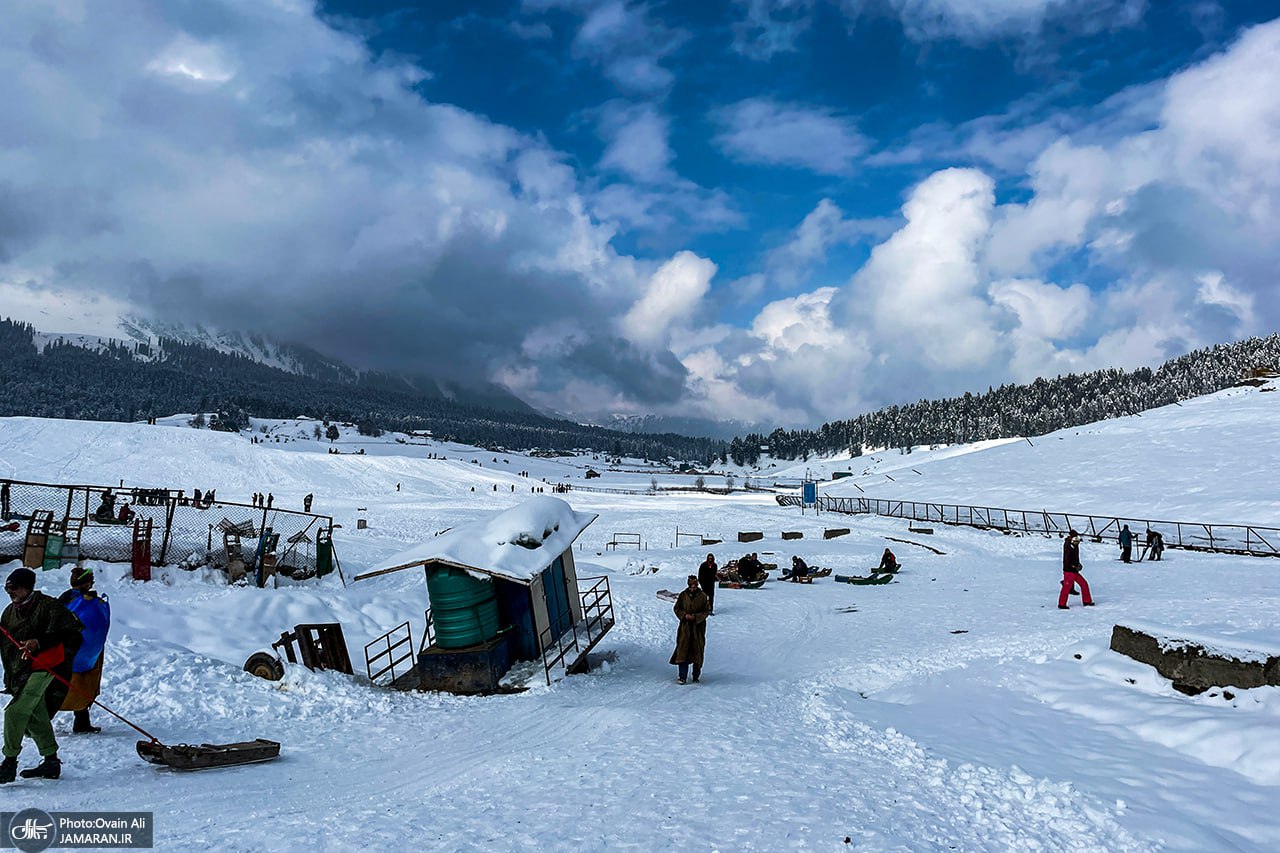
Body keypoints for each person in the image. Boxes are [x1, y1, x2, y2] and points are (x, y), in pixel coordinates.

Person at [1, 568, 83, 783]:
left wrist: (39, 642)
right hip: (22, 670)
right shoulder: (9, 612)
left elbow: (73, 632)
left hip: (47, 667)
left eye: (14, 587)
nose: (10, 591)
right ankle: (51, 762)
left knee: (15, 713)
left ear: (27, 587)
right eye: (7, 588)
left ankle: (9, 763)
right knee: (36, 715)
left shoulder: (49, 606)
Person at [57, 567, 110, 734]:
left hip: (70, 653)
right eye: (90, 581)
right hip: (80, 652)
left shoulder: (66, 598)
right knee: (81, 684)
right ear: (86, 583)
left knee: (71, 683)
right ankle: (80, 722)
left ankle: (82, 722)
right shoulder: (81, 602)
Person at [669, 574, 709, 684]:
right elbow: (677, 608)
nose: (693, 587)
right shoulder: (683, 595)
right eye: (691, 585)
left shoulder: (702, 596)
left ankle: (696, 676)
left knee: (697, 651)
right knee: (683, 650)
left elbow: (707, 610)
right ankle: (682, 676)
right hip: (685, 628)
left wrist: (696, 617)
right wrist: (684, 615)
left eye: (695, 585)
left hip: (698, 628)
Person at [1059, 530, 1094, 610]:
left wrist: (1078, 565)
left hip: (1074, 571)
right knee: (1066, 588)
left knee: (1084, 584)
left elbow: (1075, 557)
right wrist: (1073, 566)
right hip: (1069, 571)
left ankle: (1087, 601)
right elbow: (1067, 559)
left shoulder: (1074, 544)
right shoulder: (1068, 545)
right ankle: (1062, 604)